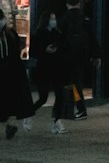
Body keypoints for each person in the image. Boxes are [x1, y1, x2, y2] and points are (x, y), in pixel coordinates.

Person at [27, 10, 70, 133]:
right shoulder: (37, 34)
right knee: (43, 97)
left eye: (54, 18)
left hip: (56, 68)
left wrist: (57, 48)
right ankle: (28, 114)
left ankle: (57, 121)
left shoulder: (58, 34)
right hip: (43, 69)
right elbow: (33, 53)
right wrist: (44, 50)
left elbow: (63, 47)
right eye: (52, 18)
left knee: (60, 95)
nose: (54, 21)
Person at [61, 0, 100, 120]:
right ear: (79, 4)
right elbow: (93, 38)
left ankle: (74, 108)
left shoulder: (64, 19)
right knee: (77, 82)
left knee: (70, 84)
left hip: (67, 56)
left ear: (67, 5)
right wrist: (96, 55)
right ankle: (78, 109)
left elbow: (60, 38)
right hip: (82, 56)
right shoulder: (85, 19)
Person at [0, 10, 33, 139]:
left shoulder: (10, 34)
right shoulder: (9, 34)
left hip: (8, 74)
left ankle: (8, 125)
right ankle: (8, 125)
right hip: (8, 73)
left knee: (5, 102)